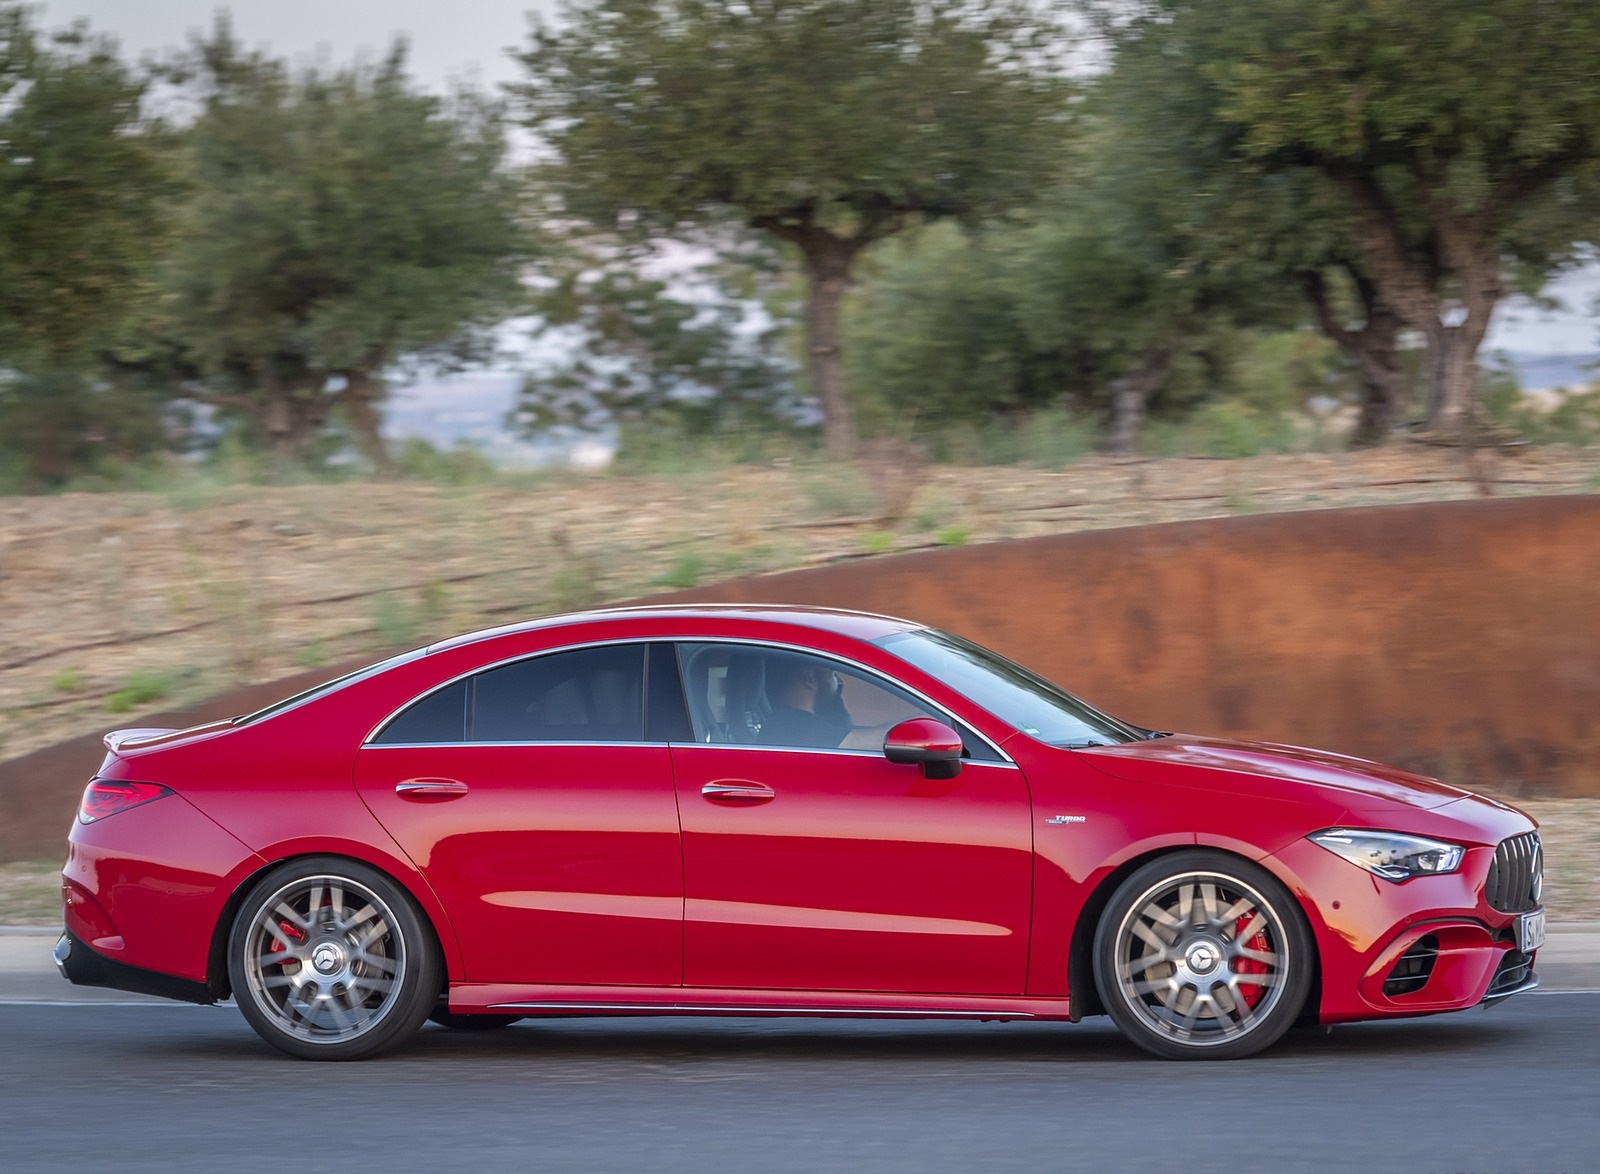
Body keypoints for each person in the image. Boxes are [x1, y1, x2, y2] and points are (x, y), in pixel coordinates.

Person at [760, 654, 853, 748]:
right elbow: (863, 741)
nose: (841, 682)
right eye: (832, 673)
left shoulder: (779, 722)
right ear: (810, 679)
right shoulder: (795, 727)